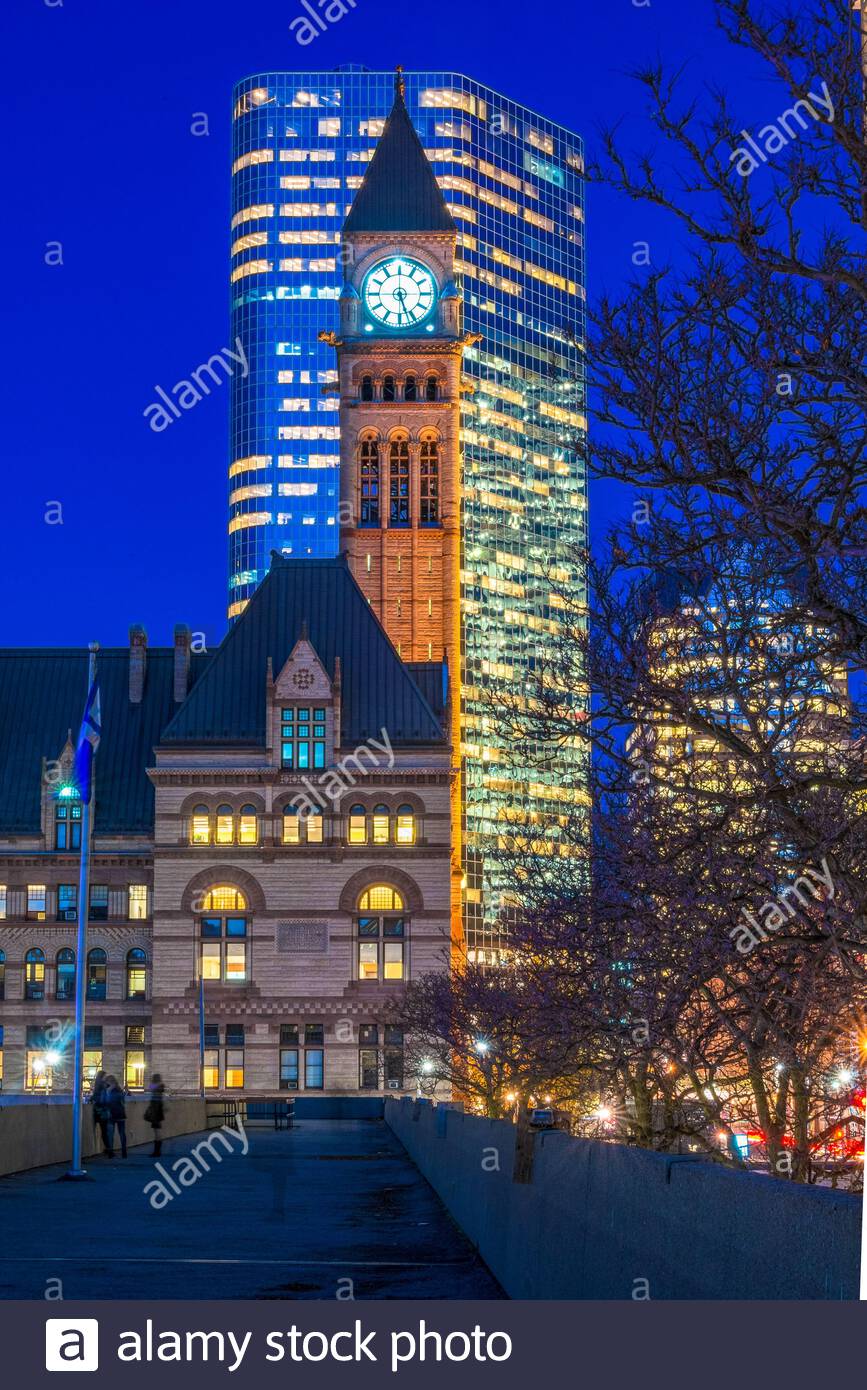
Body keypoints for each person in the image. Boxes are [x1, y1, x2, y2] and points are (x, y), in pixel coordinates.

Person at [103, 1075, 127, 1158]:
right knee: (122, 1134)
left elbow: (107, 1102)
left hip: (111, 1114)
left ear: (109, 1082)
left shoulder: (108, 1090)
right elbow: (123, 1102)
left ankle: (110, 1152)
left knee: (110, 1134)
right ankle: (124, 1152)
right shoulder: (119, 1090)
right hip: (120, 1114)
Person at [145, 1074, 166, 1157]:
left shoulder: (156, 1087)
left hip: (155, 1111)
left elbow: (150, 1087)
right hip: (158, 1110)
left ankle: (157, 1152)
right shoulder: (160, 1087)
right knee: (157, 1130)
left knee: (157, 1131)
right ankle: (157, 1151)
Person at [90, 1071, 111, 1154]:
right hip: (103, 1110)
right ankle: (108, 1148)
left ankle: (108, 1148)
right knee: (104, 1131)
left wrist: (91, 1099)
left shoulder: (98, 1085)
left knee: (103, 1131)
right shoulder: (104, 1085)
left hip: (98, 1110)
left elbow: (95, 1096)